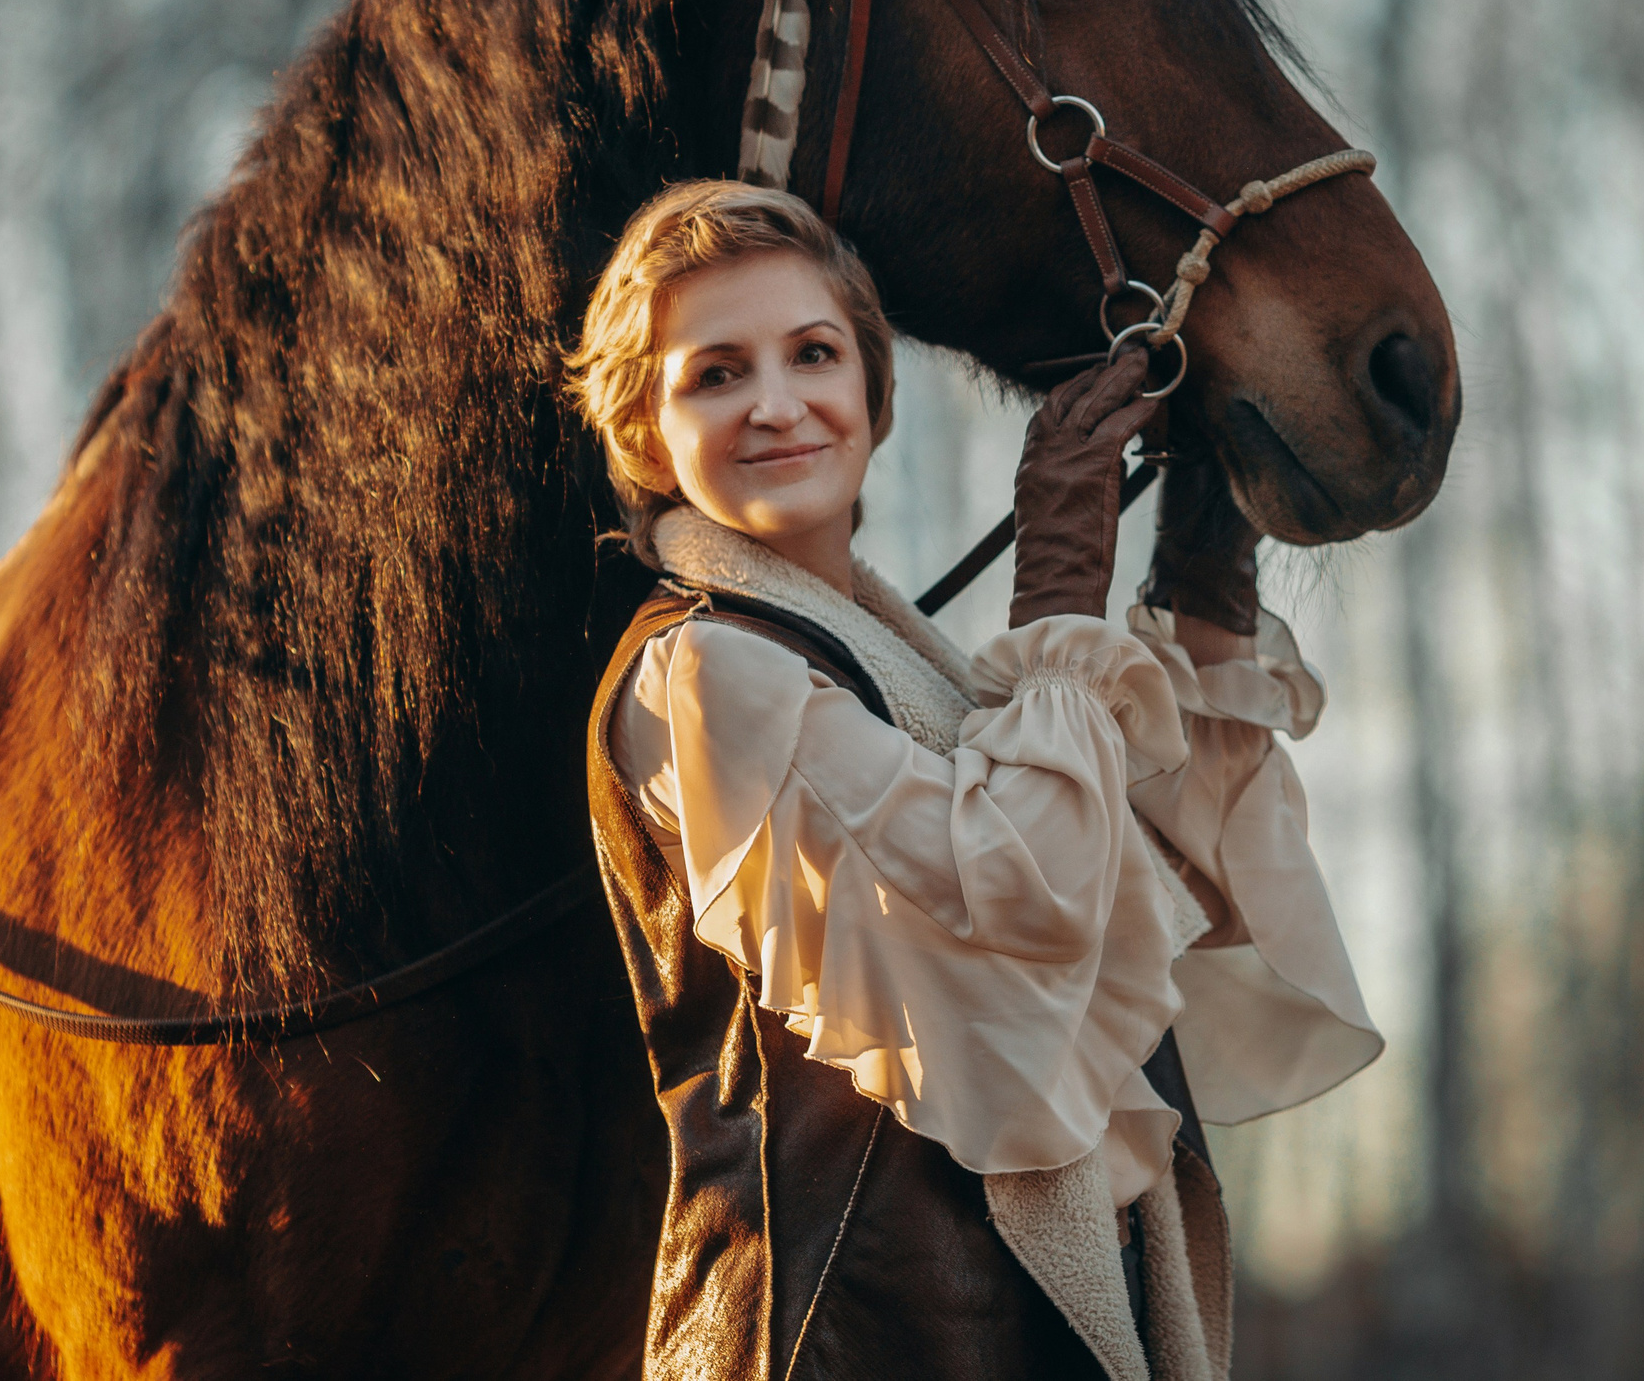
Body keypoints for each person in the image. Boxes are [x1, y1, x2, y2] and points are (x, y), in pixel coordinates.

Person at [566, 180, 1380, 1381]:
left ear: (872, 391)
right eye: (716, 374)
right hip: (846, 1344)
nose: (777, 404)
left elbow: (1169, 895)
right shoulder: (703, 674)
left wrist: (1205, 554)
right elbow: (1021, 891)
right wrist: (1057, 582)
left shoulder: (900, 673)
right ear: (645, 431)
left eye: (813, 354)